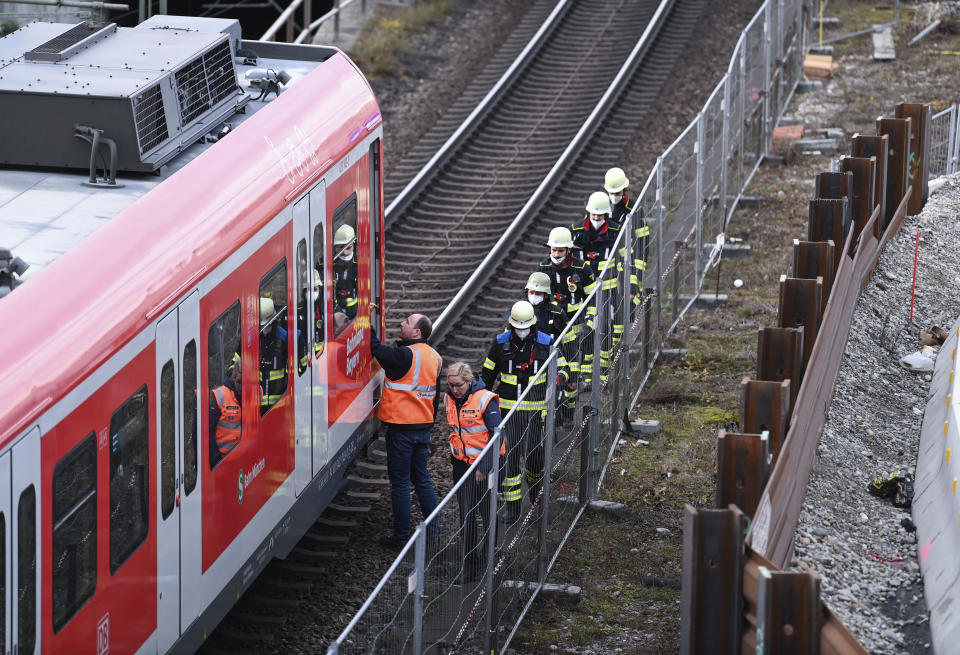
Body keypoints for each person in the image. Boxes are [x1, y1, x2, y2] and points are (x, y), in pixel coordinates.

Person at [482, 301, 568, 523]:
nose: (521, 331)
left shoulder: (545, 343)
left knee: (534, 460)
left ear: (533, 325)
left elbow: (564, 368)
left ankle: (536, 493)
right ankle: (513, 508)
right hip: (508, 414)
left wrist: (559, 380)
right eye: (517, 327)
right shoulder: (500, 344)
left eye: (525, 327)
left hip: (536, 414)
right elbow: (487, 375)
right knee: (510, 460)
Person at [372, 313, 443, 550]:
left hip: (402, 430)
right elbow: (435, 396)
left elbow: (375, 348)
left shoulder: (405, 355)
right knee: (422, 479)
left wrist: (365, 322)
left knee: (401, 483)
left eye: (407, 322)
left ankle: (401, 538)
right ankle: (434, 532)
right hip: (423, 428)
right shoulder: (435, 357)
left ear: (416, 333)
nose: (401, 323)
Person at [444, 361, 503, 583]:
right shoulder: (449, 398)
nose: (454, 389)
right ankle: (469, 567)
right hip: (462, 465)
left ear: (469, 382)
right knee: (466, 515)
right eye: (451, 385)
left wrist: (484, 467)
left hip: (484, 465)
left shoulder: (486, 400)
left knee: (487, 512)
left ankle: (491, 556)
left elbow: (498, 436)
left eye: (458, 385)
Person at [539, 227, 595, 389]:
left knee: (580, 348)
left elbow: (592, 299)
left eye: (560, 251)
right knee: (560, 352)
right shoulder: (543, 269)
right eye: (553, 250)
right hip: (555, 321)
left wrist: (590, 318)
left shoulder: (582, 268)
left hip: (576, 319)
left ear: (569, 250)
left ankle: (583, 379)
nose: (556, 255)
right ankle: (561, 382)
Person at [525, 271, 577, 422]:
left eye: (538, 293)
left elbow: (570, 343)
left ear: (546, 294)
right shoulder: (520, 310)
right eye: (531, 292)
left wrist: (572, 374)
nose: (534, 296)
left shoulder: (556, 313)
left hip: (552, 362)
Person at [210, 357, 242, 468]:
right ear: (233, 378)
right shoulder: (220, 396)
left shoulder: (257, 393)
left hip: (244, 461)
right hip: (223, 460)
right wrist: (216, 460)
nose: (242, 387)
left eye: (245, 382)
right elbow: (208, 431)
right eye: (239, 382)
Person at [258, 297, 288, 414]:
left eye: (266, 325)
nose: (263, 329)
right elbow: (238, 359)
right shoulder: (253, 338)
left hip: (279, 401)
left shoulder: (284, 337)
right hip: (258, 404)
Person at [333, 224, 358, 321]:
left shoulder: (359, 263)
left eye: (348, 248)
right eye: (340, 248)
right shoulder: (326, 264)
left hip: (355, 312)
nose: (344, 252)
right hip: (335, 314)